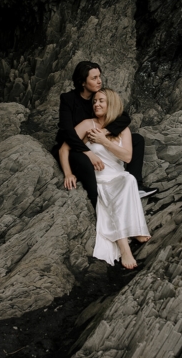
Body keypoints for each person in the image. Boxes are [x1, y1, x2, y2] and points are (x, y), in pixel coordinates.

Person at [58, 88, 151, 268]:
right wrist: (68, 173)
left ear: (111, 104)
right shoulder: (86, 124)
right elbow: (64, 149)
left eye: (101, 101)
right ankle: (124, 248)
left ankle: (136, 229)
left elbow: (127, 157)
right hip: (99, 178)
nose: (96, 104)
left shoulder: (122, 129)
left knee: (129, 180)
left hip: (117, 174)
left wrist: (103, 141)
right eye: (94, 101)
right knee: (112, 194)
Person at [51, 61, 156, 209]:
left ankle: (136, 185)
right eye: (94, 78)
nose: (99, 81)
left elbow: (124, 117)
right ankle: (97, 203)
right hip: (73, 145)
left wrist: (105, 133)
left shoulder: (98, 97)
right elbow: (67, 131)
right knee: (84, 161)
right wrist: (88, 153)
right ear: (82, 81)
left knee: (137, 139)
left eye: (99, 76)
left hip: (96, 141)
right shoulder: (68, 99)